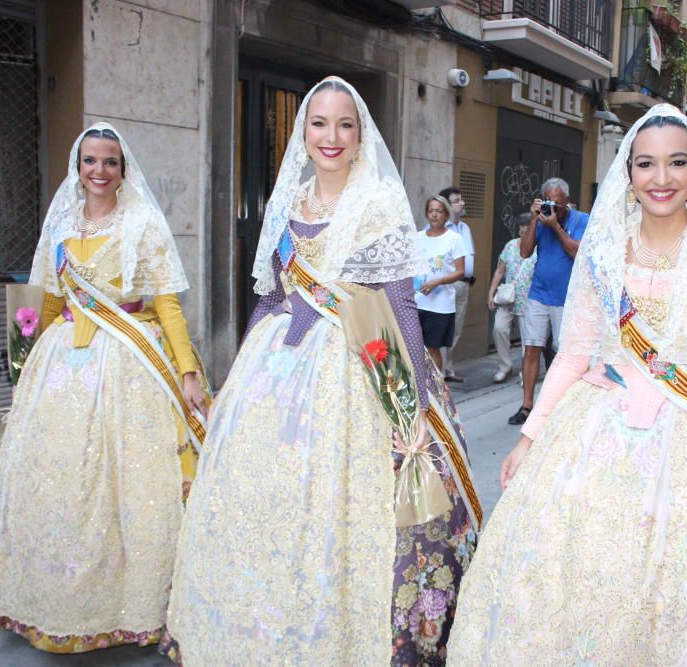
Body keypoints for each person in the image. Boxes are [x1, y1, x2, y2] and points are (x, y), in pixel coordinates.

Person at [448, 105, 687, 665]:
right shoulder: (603, 250)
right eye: (646, 164)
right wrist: (531, 436)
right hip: (598, 429)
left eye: (676, 163)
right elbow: (572, 353)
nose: (661, 178)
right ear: (628, 172)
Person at [164, 77, 479, 666]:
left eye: (344, 124)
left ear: (360, 135)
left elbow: (400, 304)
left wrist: (408, 407)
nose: (330, 136)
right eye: (319, 124)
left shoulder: (379, 200)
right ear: (301, 133)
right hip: (276, 363)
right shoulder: (288, 201)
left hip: (359, 360)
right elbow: (270, 294)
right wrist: (237, 376)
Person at [0, 124, 207, 652]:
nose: (99, 172)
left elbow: (167, 304)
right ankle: (55, 597)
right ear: (77, 166)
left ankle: (133, 600)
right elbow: (53, 303)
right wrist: (28, 366)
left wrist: (188, 371)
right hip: (64, 362)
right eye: (90, 161)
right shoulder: (59, 223)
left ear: (122, 169)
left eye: (110, 162)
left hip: (127, 361)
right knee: (60, 475)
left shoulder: (144, 223)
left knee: (128, 477)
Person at [508, 178, 589, 426]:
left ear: (568, 201)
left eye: (559, 204)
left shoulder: (581, 220)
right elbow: (524, 252)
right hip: (539, 294)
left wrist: (555, 226)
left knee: (564, 353)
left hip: (568, 297)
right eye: (549, 202)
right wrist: (535, 218)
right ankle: (527, 405)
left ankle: (562, 405)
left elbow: (577, 252)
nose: (554, 208)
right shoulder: (541, 219)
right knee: (531, 348)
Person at [416, 195, 466, 372]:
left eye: (438, 211)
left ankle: (437, 390)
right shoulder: (417, 237)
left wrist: (439, 281)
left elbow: (460, 271)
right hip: (417, 301)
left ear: (446, 214)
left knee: (432, 348)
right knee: (414, 347)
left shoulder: (454, 239)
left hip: (440, 304)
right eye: (430, 211)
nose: (434, 215)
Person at [487, 213, 537, 383]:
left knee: (527, 338)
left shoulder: (539, 248)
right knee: (499, 328)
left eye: (527, 232)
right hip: (508, 298)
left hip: (528, 300)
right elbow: (500, 270)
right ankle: (504, 365)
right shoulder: (510, 246)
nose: (524, 235)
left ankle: (526, 371)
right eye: (522, 232)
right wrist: (491, 292)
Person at [438, 186, 474, 383]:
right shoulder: (438, 230)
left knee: (456, 329)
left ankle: (448, 368)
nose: (462, 203)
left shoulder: (464, 228)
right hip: (449, 283)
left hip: (464, 284)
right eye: (457, 200)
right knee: (443, 326)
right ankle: (439, 370)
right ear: (446, 205)